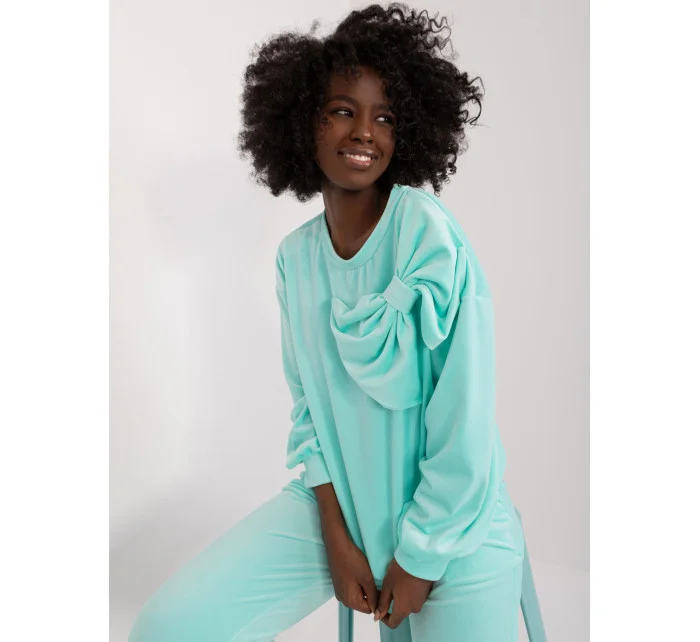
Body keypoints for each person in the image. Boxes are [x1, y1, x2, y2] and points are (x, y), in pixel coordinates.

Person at [128, 3, 525, 641]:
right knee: (168, 628)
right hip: (340, 511)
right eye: (342, 110)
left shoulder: (425, 233)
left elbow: (465, 420)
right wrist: (338, 539)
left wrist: (419, 558)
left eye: (385, 117)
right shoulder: (296, 258)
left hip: (454, 532)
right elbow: (311, 413)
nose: (364, 132)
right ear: (301, 121)